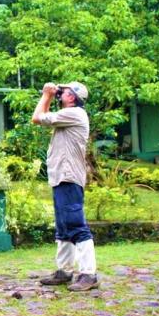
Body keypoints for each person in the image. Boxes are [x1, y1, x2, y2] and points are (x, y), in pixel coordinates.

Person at [31, 81, 99, 291]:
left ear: (72, 97)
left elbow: (37, 118)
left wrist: (46, 95)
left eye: (64, 92)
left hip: (69, 177)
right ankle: (64, 271)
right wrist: (52, 94)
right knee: (63, 226)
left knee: (76, 224)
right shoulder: (67, 115)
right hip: (61, 176)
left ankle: (89, 274)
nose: (61, 94)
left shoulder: (75, 113)